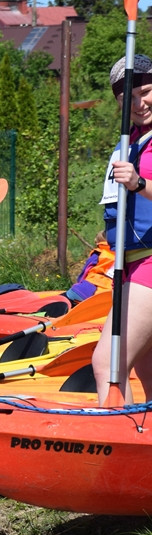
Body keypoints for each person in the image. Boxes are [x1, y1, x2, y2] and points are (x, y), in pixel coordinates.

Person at [94, 54, 152, 405]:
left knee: (107, 365)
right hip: (129, 263)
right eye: (127, 99)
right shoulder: (131, 137)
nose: (138, 103)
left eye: (146, 92)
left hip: (150, 262)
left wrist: (139, 182)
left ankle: (117, 453)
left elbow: (138, 184)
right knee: (146, 372)